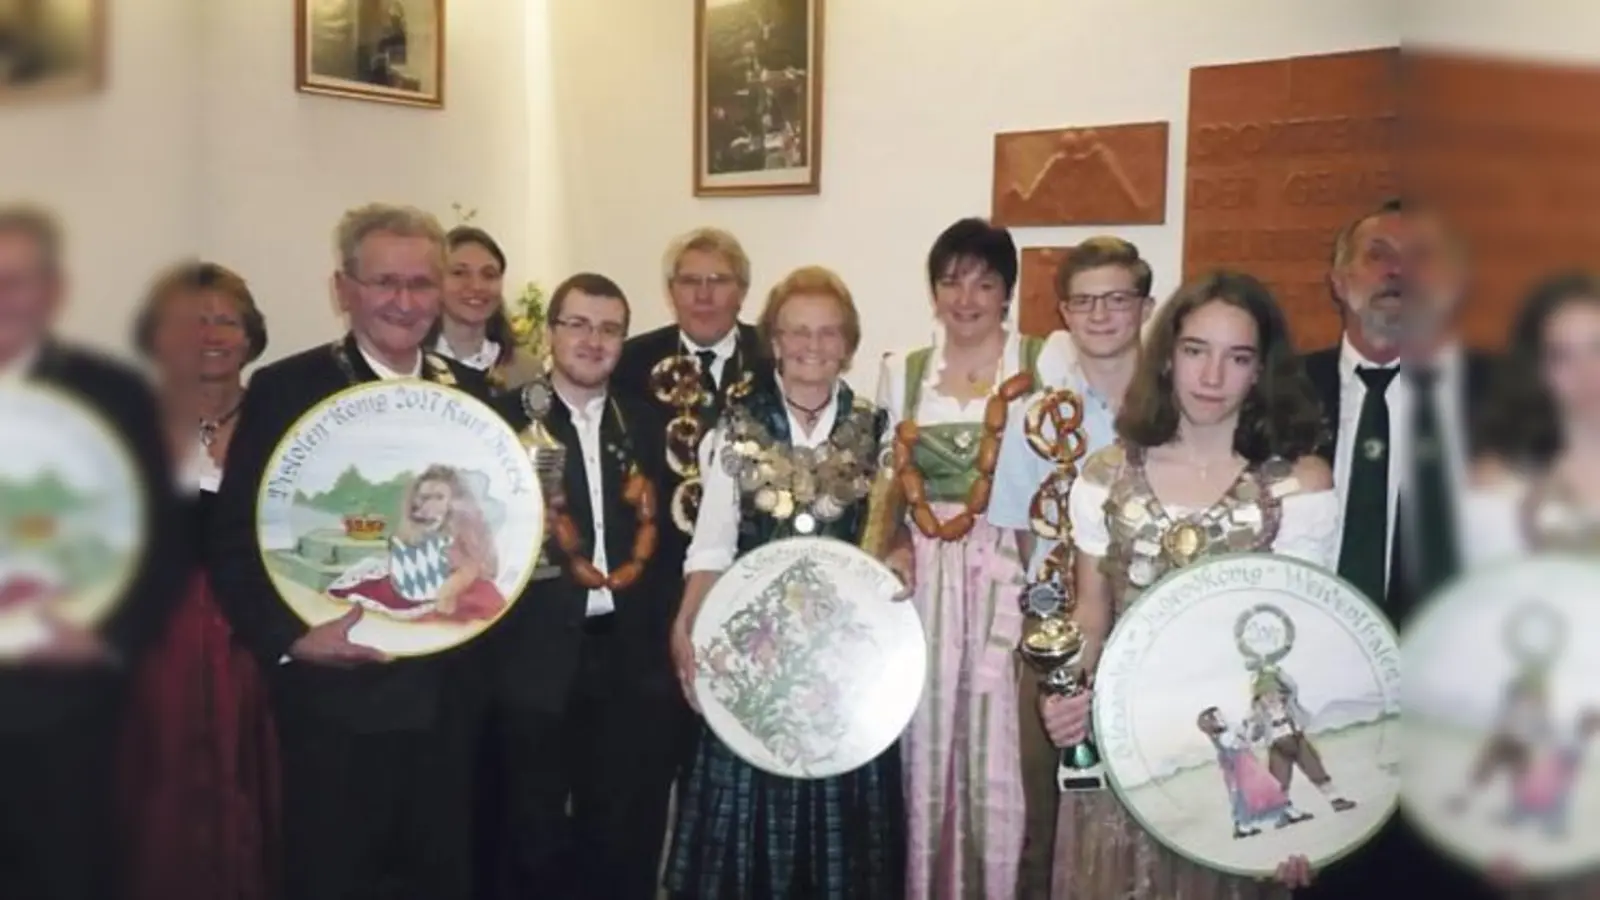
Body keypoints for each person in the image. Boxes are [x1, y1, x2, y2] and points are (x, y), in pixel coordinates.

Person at [207, 203, 494, 900]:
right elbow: (232, 539)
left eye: (420, 283)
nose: (405, 302)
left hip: (451, 700)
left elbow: (493, 526)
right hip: (334, 705)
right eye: (384, 282)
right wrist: (292, 639)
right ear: (344, 289)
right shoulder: (287, 390)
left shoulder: (473, 394)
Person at [1039, 270, 1336, 900]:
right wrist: (1064, 696)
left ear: (1260, 371)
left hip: (1245, 754)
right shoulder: (1106, 476)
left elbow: (1309, 648)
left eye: (1237, 357)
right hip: (1127, 752)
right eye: (1196, 350)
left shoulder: (1297, 486)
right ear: (1168, 356)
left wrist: (1312, 801)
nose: (1212, 375)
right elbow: (1090, 617)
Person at [665, 265, 913, 899]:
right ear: (774, 340)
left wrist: (902, 552)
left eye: (828, 333)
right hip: (753, 654)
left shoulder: (879, 430)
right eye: (797, 331)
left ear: (848, 344)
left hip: (844, 665)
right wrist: (687, 622)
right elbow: (711, 546)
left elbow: (892, 533)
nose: (812, 346)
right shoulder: (733, 428)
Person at [0, 204, 183, 900]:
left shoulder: (113, 395)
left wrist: (107, 639)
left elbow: (163, 542)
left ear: (53, 291)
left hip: (65, 703)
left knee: (66, 873)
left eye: (16, 281)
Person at [476, 273, 676, 900]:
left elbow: (669, 540)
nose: (594, 340)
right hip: (533, 657)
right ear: (550, 332)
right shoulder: (502, 421)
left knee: (621, 829)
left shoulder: (647, 423)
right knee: (529, 830)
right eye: (578, 324)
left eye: (610, 328)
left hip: (628, 657)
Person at [875, 217, 1046, 899]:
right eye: (951, 282)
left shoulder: (1040, 363)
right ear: (934, 290)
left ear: (1008, 291)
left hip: (1009, 565)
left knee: (999, 746)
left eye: (984, 283)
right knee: (926, 740)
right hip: (928, 574)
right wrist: (892, 548)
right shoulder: (903, 372)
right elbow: (887, 488)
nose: (966, 298)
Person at [988, 236, 1155, 897]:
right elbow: (1021, 535)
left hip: (1155, 634)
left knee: (1150, 815)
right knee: (1052, 820)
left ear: (1146, 307)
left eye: (1117, 298)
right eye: (1084, 302)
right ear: (1063, 313)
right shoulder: (1034, 418)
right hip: (1059, 644)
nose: (1100, 315)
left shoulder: (1180, 411)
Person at [118, 261, 281, 900]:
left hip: (259, 634)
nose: (210, 335)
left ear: (251, 335)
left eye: (226, 321)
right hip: (160, 649)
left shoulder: (282, 418)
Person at [613, 227, 771, 770]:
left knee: (737, 744)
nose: (703, 295)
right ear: (670, 291)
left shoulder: (774, 357)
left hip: (747, 577)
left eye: (718, 281)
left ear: (742, 291)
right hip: (654, 582)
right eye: (689, 281)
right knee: (654, 747)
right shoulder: (630, 364)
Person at [1301, 198, 1495, 621]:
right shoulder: (1285, 389)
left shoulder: (1498, 397)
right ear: (1338, 282)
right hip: (1303, 643)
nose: (1398, 271)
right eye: (1378, 255)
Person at [427, 225, 543, 391]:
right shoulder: (414, 364)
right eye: (459, 273)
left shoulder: (527, 370)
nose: (477, 286)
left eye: (489, 275)